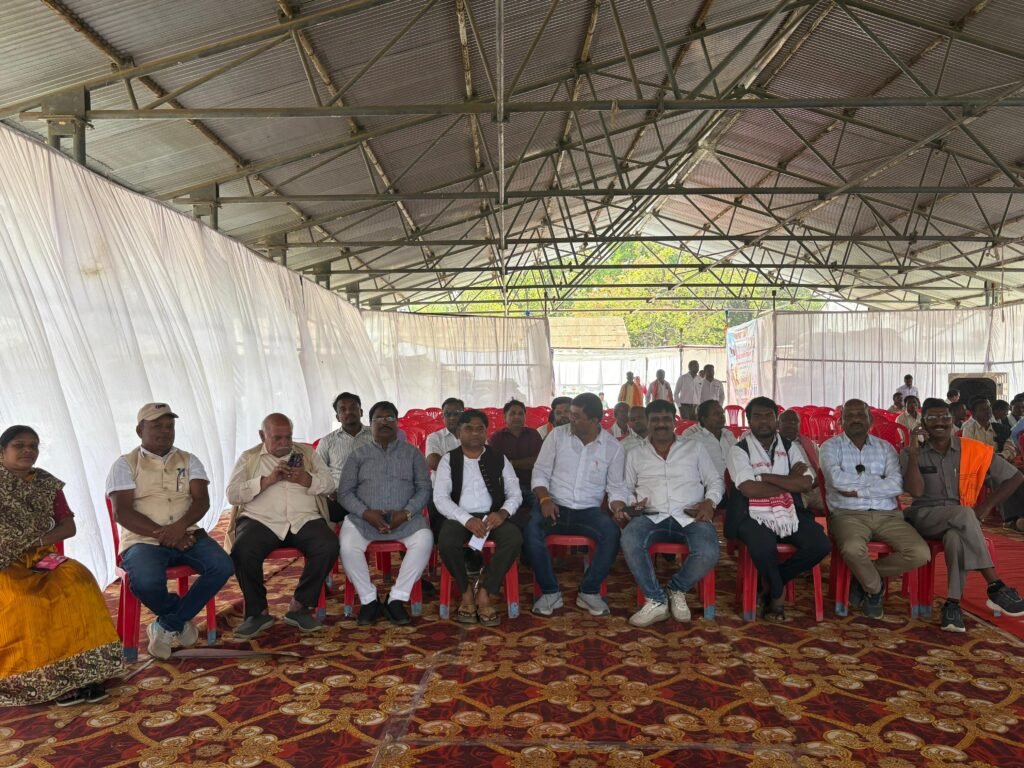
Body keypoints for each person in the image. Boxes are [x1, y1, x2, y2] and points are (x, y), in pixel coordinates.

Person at [0, 426, 122, 707]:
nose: (28, 451)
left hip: (40, 555)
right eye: (19, 445)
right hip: (5, 563)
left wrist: (36, 540)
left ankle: (85, 673)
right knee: (24, 601)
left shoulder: (46, 483)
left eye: (33, 445)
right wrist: (14, 544)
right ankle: (44, 679)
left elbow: (68, 527)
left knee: (79, 581)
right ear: (2, 451)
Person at [107, 403, 234, 659]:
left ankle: (166, 624)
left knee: (223, 565)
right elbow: (123, 512)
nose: (165, 431)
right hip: (143, 540)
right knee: (146, 581)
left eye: (169, 426)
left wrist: (178, 529)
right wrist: (166, 535)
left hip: (187, 533)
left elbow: (201, 501)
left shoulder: (189, 460)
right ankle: (179, 617)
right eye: (157, 426)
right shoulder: (125, 464)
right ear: (139, 430)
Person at [901, 398, 1024, 631]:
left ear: (953, 421)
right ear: (923, 423)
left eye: (945, 417)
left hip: (960, 519)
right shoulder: (911, 453)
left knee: (955, 538)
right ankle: (995, 585)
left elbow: (1016, 477)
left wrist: (986, 506)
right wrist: (914, 453)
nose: (940, 422)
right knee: (964, 514)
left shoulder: (971, 449)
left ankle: (952, 604)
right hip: (923, 516)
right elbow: (914, 492)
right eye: (932, 418)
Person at [226, 413, 337, 638]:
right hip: (261, 519)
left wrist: (305, 479)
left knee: (328, 545)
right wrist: (267, 481)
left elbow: (329, 484)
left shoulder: (308, 454)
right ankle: (257, 613)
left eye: (288, 437)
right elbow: (233, 494)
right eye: (277, 438)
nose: (284, 443)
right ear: (262, 436)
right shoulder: (249, 458)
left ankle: (300, 605)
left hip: (303, 518)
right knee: (243, 550)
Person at [615, 400, 722, 627]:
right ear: (648, 422)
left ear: (675, 421)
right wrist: (632, 504)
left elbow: (715, 480)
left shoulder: (694, 448)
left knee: (708, 550)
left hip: (690, 515)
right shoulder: (635, 453)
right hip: (650, 515)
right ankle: (656, 599)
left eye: (666, 419)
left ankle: (676, 589)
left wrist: (709, 503)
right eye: (655, 420)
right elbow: (625, 488)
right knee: (630, 539)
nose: (661, 424)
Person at [819, 400, 929, 618]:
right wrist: (877, 482)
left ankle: (863, 578)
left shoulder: (885, 448)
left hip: (888, 515)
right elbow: (837, 481)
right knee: (852, 549)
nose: (856, 419)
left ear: (870, 419)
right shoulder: (829, 447)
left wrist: (858, 490)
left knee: (920, 553)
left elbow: (896, 485)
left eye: (861, 415)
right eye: (850, 416)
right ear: (841, 421)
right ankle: (875, 588)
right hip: (847, 515)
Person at [726, 397, 830, 622]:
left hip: (790, 510)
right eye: (757, 416)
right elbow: (749, 489)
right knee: (763, 546)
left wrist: (765, 477)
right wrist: (789, 481)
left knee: (820, 545)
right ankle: (776, 595)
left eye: (768, 416)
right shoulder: (738, 450)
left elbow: (806, 483)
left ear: (776, 419)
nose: (763, 421)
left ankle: (772, 582)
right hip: (751, 513)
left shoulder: (790, 446)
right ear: (749, 421)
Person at [525, 393, 627, 617]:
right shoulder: (557, 436)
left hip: (588, 511)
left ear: (594, 420)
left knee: (612, 532)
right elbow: (540, 472)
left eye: (576, 416)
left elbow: (616, 488)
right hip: (554, 505)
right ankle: (550, 592)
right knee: (531, 529)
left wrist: (619, 508)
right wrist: (545, 499)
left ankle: (589, 591)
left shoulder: (613, 448)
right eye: (570, 414)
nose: (569, 419)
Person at [339, 401, 433, 626]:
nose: (384, 422)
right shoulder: (357, 456)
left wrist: (406, 513)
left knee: (424, 539)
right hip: (364, 520)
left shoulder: (413, 454)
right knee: (347, 546)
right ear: (370, 424)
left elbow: (424, 489)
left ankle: (396, 598)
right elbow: (344, 493)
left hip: (405, 519)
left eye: (390, 418)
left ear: (397, 423)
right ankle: (369, 599)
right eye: (378, 419)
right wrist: (365, 513)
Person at [434, 410, 523, 626]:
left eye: (480, 429)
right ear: (458, 432)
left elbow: (515, 493)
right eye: (468, 428)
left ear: (486, 432)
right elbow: (440, 498)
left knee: (513, 538)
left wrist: (502, 513)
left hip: (492, 516)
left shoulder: (499, 458)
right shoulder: (449, 460)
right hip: (459, 517)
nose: (474, 433)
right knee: (446, 541)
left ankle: (486, 592)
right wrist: (466, 519)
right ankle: (465, 592)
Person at [316, 392, 373, 522]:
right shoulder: (327, 442)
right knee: (317, 513)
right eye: (343, 409)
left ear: (361, 412)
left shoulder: (376, 436)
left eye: (353, 408)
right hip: (339, 499)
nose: (348, 412)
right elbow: (317, 471)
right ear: (337, 417)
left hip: (372, 496)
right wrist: (329, 492)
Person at [487, 399, 543, 528]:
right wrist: (525, 462)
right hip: (506, 488)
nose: (517, 416)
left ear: (525, 416)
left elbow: (537, 462)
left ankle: (531, 528)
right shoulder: (497, 438)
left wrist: (510, 463)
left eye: (520, 413)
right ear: (505, 417)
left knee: (541, 504)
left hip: (531, 485)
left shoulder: (533, 435)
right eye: (512, 413)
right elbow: (497, 465)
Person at [777, 409, 824, 512]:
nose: (791, 424)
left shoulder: (809, 443)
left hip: (816, 489)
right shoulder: (774, 445)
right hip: (794, 491)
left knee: (837, 506)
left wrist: (820, 479)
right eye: (786, 421)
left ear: (799, 424)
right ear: (777, 424)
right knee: (796, 512)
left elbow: (822, 466)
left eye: (795, 421)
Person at [680, 400, 736, 478]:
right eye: (716, 414)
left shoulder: (728, 435)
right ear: (704, 419)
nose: (721, 416)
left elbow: (739, 458)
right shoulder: (694, 440)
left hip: (735, 481)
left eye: (722, 413)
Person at [962, 397, 1017, 462]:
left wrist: (1002, 455)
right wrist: (990, 458)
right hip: (979, 464)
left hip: (1000, 462)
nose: (987, 411)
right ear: (974, 414)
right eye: (982, 410)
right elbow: (970, 451)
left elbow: (1010, 448)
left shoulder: (1000, 428)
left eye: (988, 408)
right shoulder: (969, 430)